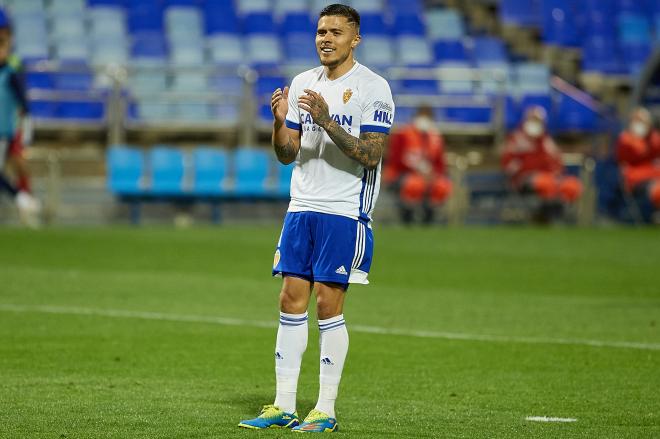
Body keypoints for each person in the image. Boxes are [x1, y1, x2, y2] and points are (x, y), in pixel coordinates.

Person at [238, 4, 394, 433]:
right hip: (301, 207)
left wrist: (325, 120)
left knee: (328, 306)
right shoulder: (303, 82)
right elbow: (288, 154)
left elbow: (371, 155)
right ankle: (283, 404)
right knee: (290, 300)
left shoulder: (373, 87)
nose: (325, 38)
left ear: (354, 39)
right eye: (321, 31)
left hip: (345, 211)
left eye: (336, 32)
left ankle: (325, 408)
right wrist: (277, 124)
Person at [501, 105, 582, 222]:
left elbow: (556, 162)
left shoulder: (547, 141)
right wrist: (523, 169)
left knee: (572, 185)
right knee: (545, 183)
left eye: (538, 120)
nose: (535, 123)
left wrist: (556, 174)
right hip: (526, 179)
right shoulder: (516, 139)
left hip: (550, 178)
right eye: (533, 120)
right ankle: (546, 214)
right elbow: (508, 165)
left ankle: (553, 212)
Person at [0, 7, 39, 225]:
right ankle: (23, 199)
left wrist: (25, 133)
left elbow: (24, 104)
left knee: (17, 164)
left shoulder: (12, 69)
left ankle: (23, 199)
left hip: (7, 129)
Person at [384, 105, 452, 225]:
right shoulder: (402, 135)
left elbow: (440, 164)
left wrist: (433, 174)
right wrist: (416, 170)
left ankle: (429, 220)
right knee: (414, 185)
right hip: (401, 174)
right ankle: (407, 220)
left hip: (429, 176)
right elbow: (396, 160)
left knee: (441, 185)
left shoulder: (435, 137)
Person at [615, 107, 660, 222]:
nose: (639, 124)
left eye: (642, 121)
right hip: (636, 179)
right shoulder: (625, 139)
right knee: (657, 189)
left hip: (654, 174)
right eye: (636, 120)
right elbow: (635, 154)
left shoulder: (654, 138)